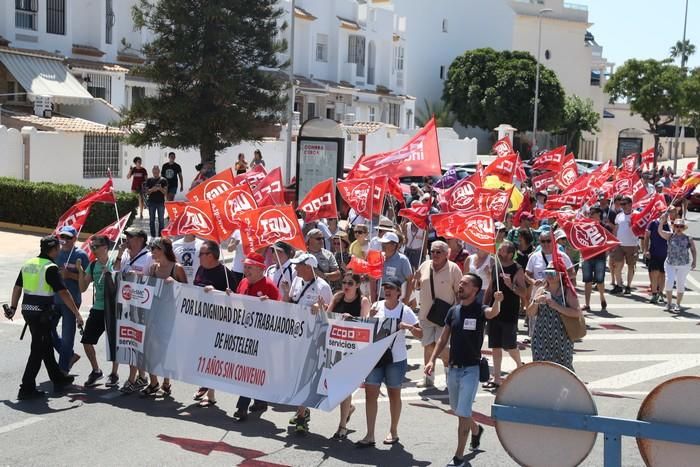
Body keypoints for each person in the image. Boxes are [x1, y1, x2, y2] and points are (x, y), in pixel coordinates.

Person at [425, 274, 505, 465]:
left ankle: (459, 457)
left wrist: (497, 301)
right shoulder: (453, 311)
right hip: (452, 370)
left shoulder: (480, 309)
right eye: (460, 283)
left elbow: (493, 313)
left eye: (465, 284)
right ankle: (477, 430)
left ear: (475, 290)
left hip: (471, 370)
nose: (460, 286)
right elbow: (443, 338)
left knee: (462, 413)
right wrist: (432, 360)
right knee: (458, 410)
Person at [9, 236, 83, 400]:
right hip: (42, 314)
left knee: (46, 344)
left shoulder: (29, 264)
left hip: (28, 311)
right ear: (54, 249)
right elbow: (63, 293)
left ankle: (58, 377)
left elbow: (17, 287)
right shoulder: (50, 267)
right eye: (57, 248)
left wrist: (13, 308)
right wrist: (77, 313)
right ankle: (26, 387)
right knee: (37, 350)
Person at [356, 277, 422, 448]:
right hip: (375, 358)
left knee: (394, 395)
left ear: (398, 292)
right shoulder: (376, 306)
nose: (387, 290)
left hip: (396, 359)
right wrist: (367, 318)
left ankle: (393, 431)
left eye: (391, 287)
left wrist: (408, 327)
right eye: (385, 287)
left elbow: (420, 334)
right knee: (370, 394)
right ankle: (370, 434)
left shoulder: (405, 310)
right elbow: (364, 329)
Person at [280, 253, 333, 433]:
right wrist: (286, 294)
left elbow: (330, 315)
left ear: (309, 267)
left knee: (305, 377)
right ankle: (302, 410)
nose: (295, 268)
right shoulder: (296, 281)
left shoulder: (322, 287)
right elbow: (290, 304)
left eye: (298, 266)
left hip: (313, 338)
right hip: (295, 334)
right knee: (295, 375)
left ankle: (302, 416)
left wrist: (321, 310)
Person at [233, 253, 281, 421]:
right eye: (245, 267)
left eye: (250, 267)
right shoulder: (243, 282)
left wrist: (270, 305)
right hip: (245, 334)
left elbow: (281, 313)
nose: (246, 270)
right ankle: (260, 401)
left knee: (250, 370)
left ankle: (242, 406)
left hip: (263, 338)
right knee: (251, 370)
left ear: (261, 269)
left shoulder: (270, 286)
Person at [191, 240, 236, 406]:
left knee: (212, 357)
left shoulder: (225, 273)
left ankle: (209, 390)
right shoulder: (201, 269)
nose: (199, 257)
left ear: (212, 255)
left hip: (218, 323)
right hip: (200, 320)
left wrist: (216, 293)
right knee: (201, 355)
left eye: (202, 254)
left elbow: (234, 300)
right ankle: (207, 389)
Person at [326, 272, 371, 439]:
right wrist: (321, 309)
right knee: (334, 387)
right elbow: (326, 318)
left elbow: (367, 325)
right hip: (334, 348)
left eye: (350, 283)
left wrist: (352, 319)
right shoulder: (337, 297)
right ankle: (349, 408)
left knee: (345, 388)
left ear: (357, 285)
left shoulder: (363, 301)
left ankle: (342, 426)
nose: (346, 285)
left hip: (353, 350)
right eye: (344, 282)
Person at [141, 238, 187, 396]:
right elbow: (144, 287)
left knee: (166, 350)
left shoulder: (177, 268)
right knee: (148, 348)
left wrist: (175, 283)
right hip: (153, 314)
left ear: (165, 250)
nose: (153, 252)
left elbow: (189, 293)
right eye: (152, 249)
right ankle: (153, 382)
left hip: (171, 316)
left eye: (156, 249)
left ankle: (166, 382)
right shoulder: (153, 268)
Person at [413, 240, 462, 388]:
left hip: (446, 317)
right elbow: (417, 286)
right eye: (433, 251)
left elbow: (459, 293)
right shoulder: (424, 265)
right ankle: (428, 377)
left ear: (446, 253)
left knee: (444, 349)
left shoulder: (454, 269)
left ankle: (449, 376)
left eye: (438, 251)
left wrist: (459, 314)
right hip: (426, 315)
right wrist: (416, 280)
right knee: (428, 346)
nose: (435, 254)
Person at [76, 235, 119, 388]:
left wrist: (112, 273)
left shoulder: (115, 263)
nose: (93, 249)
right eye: (92, 247)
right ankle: (96, 370)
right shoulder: (93, 265)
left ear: (105, 248)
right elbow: (82, 288)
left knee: (114, 342)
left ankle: (114, 373)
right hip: (98, 308)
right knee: (87, 340)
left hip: (113, 308)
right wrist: (80, 271)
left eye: (96, 247)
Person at [483, 241, 526, 389]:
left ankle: (520, 366)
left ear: (509, 254)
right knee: (495, 346)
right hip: (495, 310)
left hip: (509, 312)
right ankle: (496, 378)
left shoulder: (517, 269)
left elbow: (524, 292)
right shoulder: (496, 266)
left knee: (509, 345)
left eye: (501, 250)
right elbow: (490, 288)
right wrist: (484, 306)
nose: (498, 252)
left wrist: (511, 285)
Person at [527, 264, 582, 371]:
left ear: (561, 275)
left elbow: (577, 313)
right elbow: (530, 313)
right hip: (541, 336)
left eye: (552, 273)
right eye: (547, 273)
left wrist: (557, 306)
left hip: (562, 336)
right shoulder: (541, 290)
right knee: (541, 368)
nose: (549, 276)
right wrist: (536, 302)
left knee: (564, 368)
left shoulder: (567, 291)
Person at [53, 226, 89, 372]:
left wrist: (70, 275)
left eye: (68, 237)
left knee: (68, 337)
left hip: (72, 300)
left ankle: (62, 371)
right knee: (48, 331)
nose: (65, 240)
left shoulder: (81, 255)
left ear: (75, 239)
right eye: (63, 237)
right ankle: (70, 355)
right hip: (54, 300)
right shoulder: (55, 253)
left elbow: (87, 279)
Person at [657, 216, 697, 312]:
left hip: (683, 265)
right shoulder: (670, 236)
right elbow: (660, 232)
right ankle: (669, 303)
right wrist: (661, 222)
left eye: (681, 226)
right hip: (670, 263)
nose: (679, 228)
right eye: (677, 226)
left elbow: (693, 250)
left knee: (680, 284)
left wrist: (694, 261)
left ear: (683, 228)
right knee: (669, 282)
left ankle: (678, 304)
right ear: (674, 227)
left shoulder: (688, 238)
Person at [582, 207, 609, 312]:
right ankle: (587, 304)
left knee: (600, 280)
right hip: (588, 256)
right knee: (587, 281)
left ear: (598, 214)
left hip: (600, 257)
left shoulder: (604, 227)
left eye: (592, 213)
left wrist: (607, 253)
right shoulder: (585, 227)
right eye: (590, 213)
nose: (590, 215)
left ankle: (602, 297)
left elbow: (608, 241)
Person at [377, 232, 414, 303]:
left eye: (386, 243)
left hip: (397, 299)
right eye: (382, 243)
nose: (383, 245)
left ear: (394, 245)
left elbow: (410, 280)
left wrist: (406, 300)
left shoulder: (403, 260)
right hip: (380, 297)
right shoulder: (378, 257)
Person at [611, 195, 638, 295]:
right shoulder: (619, 216)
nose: (622, 206)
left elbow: (641, 229)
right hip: (619, 244)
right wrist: (613, 242)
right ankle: (619, 285)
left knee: (631, 266)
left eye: (624, 204)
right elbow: (616, 229)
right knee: (617, 265)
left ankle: (628, 286)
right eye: (621, 204)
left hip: (632, 244)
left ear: (630, 204)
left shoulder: (636, 214)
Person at [144, 165, 168, 238]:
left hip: (161, 202)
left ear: (159, 171)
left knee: (161, 221)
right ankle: (153, 236)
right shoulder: (149, 180)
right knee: (152, 220)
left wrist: (160, 188)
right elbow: (146, 192)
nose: (155, 172)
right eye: (154, 170)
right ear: (152, 171)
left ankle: (160, 236)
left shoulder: (163, 180)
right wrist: (153, 189)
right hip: (151, 202)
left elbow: (165, 192)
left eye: (157, 170)